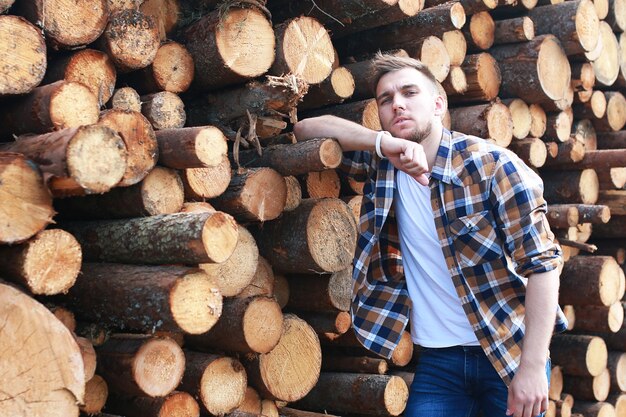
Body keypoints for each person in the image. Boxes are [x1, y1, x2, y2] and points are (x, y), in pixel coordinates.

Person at [293, 53, 567, 417]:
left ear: (438, 103)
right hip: (440, 362)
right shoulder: (381, 165)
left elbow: (543, 265)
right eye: (386, 100)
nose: (398, 105)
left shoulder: (493, 167)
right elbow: (305, 131)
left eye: (409, 93)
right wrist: (381, 143)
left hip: (508, 352)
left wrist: (532, 367)